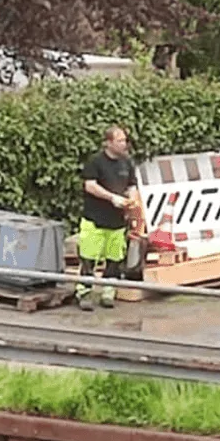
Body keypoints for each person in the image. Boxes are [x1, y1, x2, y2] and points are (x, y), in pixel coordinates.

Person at [78, 126, 140, 310]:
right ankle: (84, 293)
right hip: (95, 220)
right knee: (89, 258)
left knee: (114, 259)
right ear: (109, 142)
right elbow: (90, 185)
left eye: (125, 140)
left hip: (117, 222)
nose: (124, 144)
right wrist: (112, 198)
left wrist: (132, 201)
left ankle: (108, 293)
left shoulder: (126, 163)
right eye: (120, 141)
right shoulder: (95, 162)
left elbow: (132, 185)